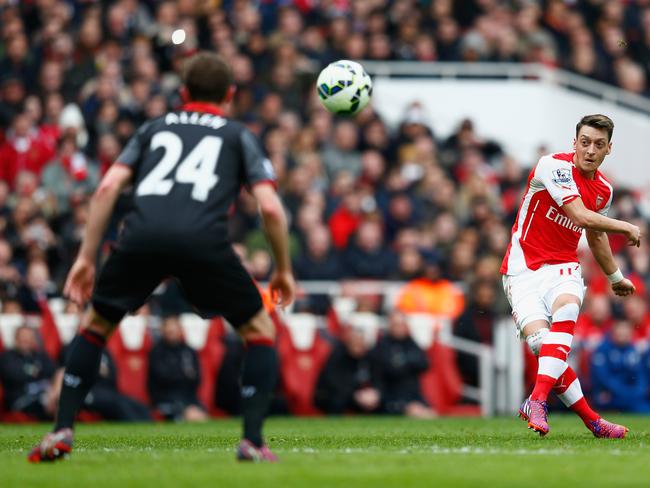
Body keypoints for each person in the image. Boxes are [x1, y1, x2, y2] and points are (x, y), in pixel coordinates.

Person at [28, 52, 295, 463]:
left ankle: (61, 430)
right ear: (230, 94)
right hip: (203, 240)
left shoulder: (153, 128)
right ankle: (253, 441)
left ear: (183, 93)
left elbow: (107, 188)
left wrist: (85, 258)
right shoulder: (237, 134)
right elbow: (272, 209)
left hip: (141, 238)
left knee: (96, 325)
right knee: (259, 329)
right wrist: (282, 269)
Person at [501, 114, 642, 438]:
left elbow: (593, 234)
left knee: (566, 308)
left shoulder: (603, 190)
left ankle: (537, 400)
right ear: (574, 142)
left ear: (609, 149)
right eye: (585, 142)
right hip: (522, 268)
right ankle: (593, 420)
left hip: (563, 267)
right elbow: (579, 215)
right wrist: (626, 225)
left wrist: (615, 276)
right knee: (541, 345)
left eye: (599, 144)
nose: (590, 150)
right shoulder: (553, 166)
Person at [148, 315, 207, 421]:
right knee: (190, 415)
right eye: (169, 330)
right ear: (163, 331)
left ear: (180, 330)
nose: (172, 333)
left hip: (189, 398)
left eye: (174, 330)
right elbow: (162, 378)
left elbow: (196, 378)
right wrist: (183, 375)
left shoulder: (188, 351)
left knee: (200, 413)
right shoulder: (156, 352)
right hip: (165, 398)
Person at [0, 326, 56, 419]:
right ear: (16, 339)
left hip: (46, 394)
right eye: (22, 336)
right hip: (21, 399)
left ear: (34, 339)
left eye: (28, 337)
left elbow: (53, 371)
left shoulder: (41, 356)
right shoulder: (7, 357)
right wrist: (38, 374)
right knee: (46, 400)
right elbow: (14, 376)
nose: (25, 340)